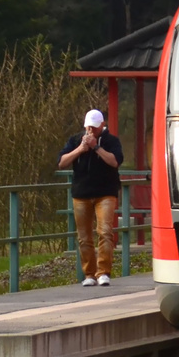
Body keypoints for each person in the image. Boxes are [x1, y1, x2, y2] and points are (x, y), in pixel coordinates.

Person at [58, 109, 125, 287]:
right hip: (81, 194)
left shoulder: (112, 141)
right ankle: (89, 274)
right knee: (84, 236)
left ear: (102, 125)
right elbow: (62, 162)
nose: (90, 130)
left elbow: (114, 161)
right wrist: (80, 149)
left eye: (94, 127)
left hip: (105, 193)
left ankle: (103, 272)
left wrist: (96, 147)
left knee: (105, 232)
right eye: (88, 127)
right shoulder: (75, 140)